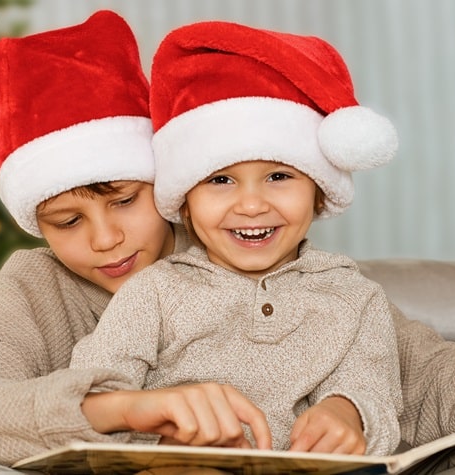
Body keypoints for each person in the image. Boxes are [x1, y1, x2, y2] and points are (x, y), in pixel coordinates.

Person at [0, 14, 455, 475]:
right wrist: (129, 411)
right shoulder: (42, 288)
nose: (104, 239)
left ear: (166, 181)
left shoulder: (322, 282)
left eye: (125, 201)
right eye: (65, 222)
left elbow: (418, 372)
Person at [71, 18, 404, 456]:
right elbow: (88, 396)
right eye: (221, 180)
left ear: (319, 194)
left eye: (278, 176)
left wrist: (347, 413)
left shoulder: (355, 297)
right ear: (183, 202)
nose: (250, 205)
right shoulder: (153, 293)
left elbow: (375, 389)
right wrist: (157, 426)